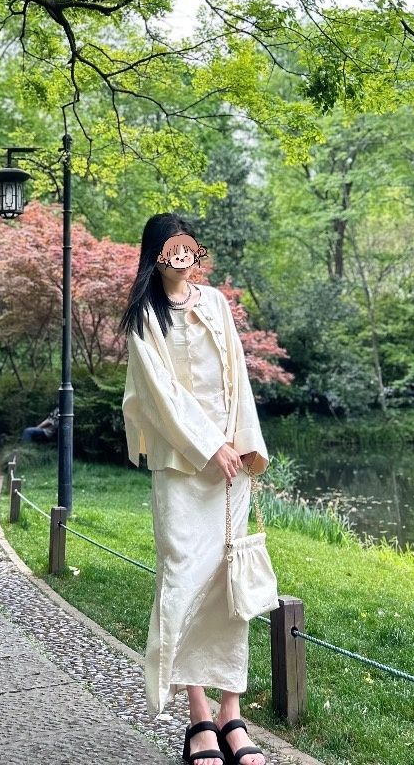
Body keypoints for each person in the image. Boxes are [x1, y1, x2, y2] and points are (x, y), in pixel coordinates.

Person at [120, 214, 270, 765]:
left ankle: (231, 714)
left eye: (188, 248)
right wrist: (210, 446)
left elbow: (238, 378)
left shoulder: (215, 304)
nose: (182, 258)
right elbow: (159, 398)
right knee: (184, 581)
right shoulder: (144, 317)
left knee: (229, 584)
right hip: (183, 467)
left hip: (231, 472)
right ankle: (198, 718)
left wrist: (246, 444)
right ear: (156, 254)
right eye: (172, 249)